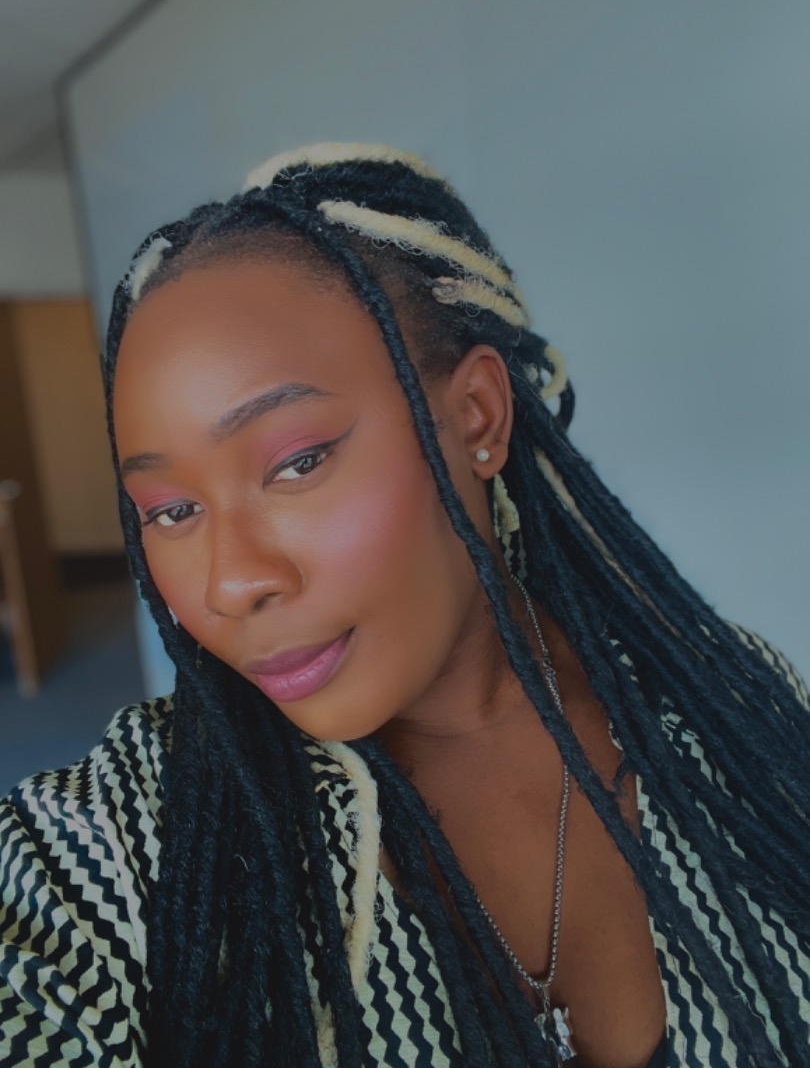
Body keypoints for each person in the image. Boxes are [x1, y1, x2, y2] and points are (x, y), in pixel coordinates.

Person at [0, 143, 807, 1068]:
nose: (230, 583)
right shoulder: (131, 833)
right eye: (171, 511)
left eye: (297, 462)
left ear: (475, 417)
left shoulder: (731, 710)